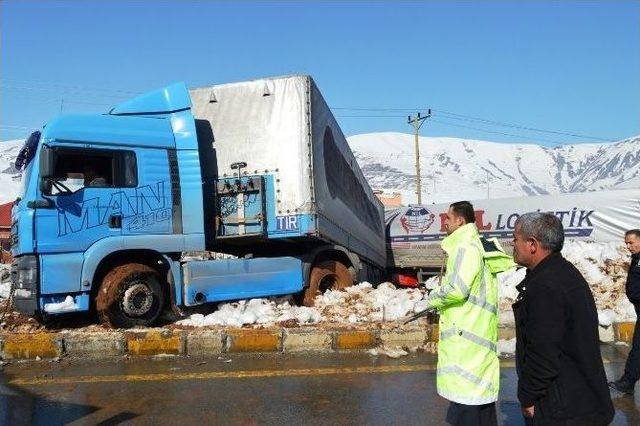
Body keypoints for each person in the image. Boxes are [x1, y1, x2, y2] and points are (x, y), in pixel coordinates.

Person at [511, 212, 614, 425]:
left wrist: (529, 397)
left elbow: (543, 352)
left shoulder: (546, 286)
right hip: (579, 401)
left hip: (563, 409)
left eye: (515, 239)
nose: (512, 244)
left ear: (532, 244)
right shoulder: (561, 272)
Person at [425, 201, 514, 426]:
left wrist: (434, 296)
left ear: (460, 221)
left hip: (466, 334)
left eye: (448, 218)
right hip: (476, 330)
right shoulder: (477, 245)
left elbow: (457, 290)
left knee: (468, 401)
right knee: (479, 400)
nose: (445, 223)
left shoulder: (465, 248)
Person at [609, 229, 640, 395]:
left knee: (638, 348)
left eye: (631, 242)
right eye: (626, 243)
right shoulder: (637, 257)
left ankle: (628, 381)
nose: (628, 246)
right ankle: (628, 380)